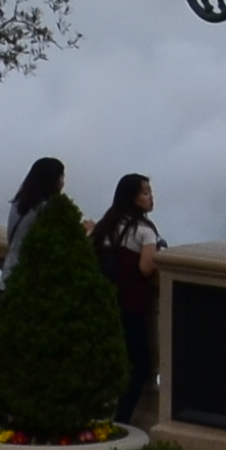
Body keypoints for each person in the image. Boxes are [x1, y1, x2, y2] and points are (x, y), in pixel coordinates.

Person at [92, 174, 162, 421]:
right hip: (131, 305)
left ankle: (96, 412)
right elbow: (145, 268)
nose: (151, 197)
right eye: (145, 193)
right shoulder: (144, 231)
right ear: (132, 198)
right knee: (140, 363)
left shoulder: (108, 224)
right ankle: (121, 420)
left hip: (105, 302)